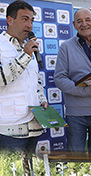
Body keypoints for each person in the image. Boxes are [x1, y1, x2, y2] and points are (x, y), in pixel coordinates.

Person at [54, 8, 91, 153]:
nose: (84, 24)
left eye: (88, 20)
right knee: (76, 159)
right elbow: (59, 79)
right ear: (74, 25)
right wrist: (87, 91)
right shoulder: (65, 47)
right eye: (79, 21)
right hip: (76, 116)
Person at [0, 0, 48, 153]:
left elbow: (36, 81)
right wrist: (25, 55)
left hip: (34, 127)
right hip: (10, 130)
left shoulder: (27, 47)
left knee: (29, 174)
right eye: (24, 19)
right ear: (10, 20)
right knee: (14, 175)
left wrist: (42, 100)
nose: (29, 25)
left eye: (32, 20)